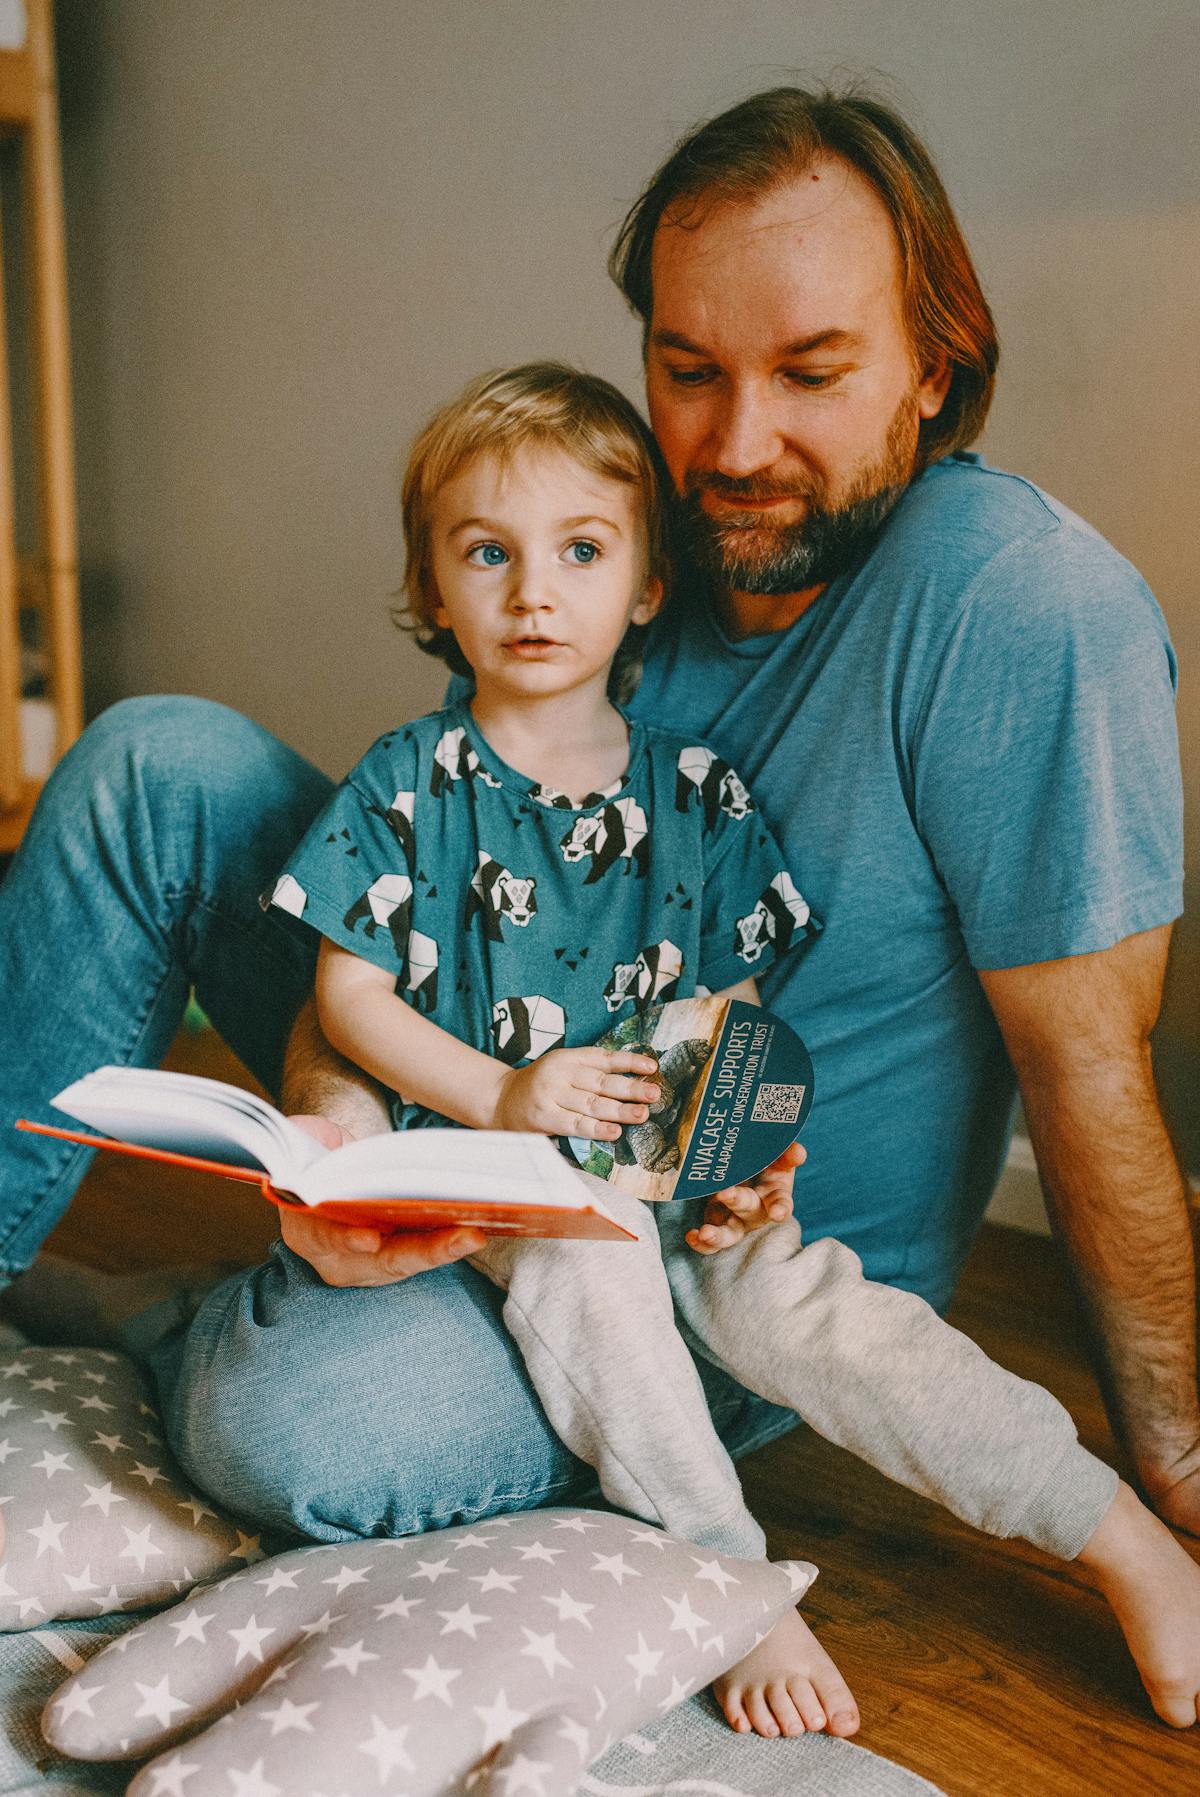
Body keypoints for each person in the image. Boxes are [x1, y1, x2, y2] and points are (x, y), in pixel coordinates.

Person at [0, 81, 1195, 1706]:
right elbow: (432, 878)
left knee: (297, 1426)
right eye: (687, 371)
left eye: (812, 371)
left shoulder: (1020, 605)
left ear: (936, 364)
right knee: (150, 762)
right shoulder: (634, 538)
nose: (736, 441)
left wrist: (1179, 1465)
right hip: (488, 1093)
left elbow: (1089, 1069)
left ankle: (174, 1324)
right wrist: (334, 1105)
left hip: (718, 1231)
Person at [243, 355, 1193, 1736]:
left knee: (833, 1318)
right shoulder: (410, 784)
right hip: (504, 1178)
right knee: (598, 1267)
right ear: (431, 588)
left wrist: (736, 1157)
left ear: (643, 586)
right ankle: (736, 1582)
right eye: (486, 554)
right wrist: (503, 1095)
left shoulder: (694, 795)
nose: (532, 591)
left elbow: (733, 1014)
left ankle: (1116, 1539)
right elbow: (352, 1000)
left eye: (579, 551)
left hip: (673, 1184)